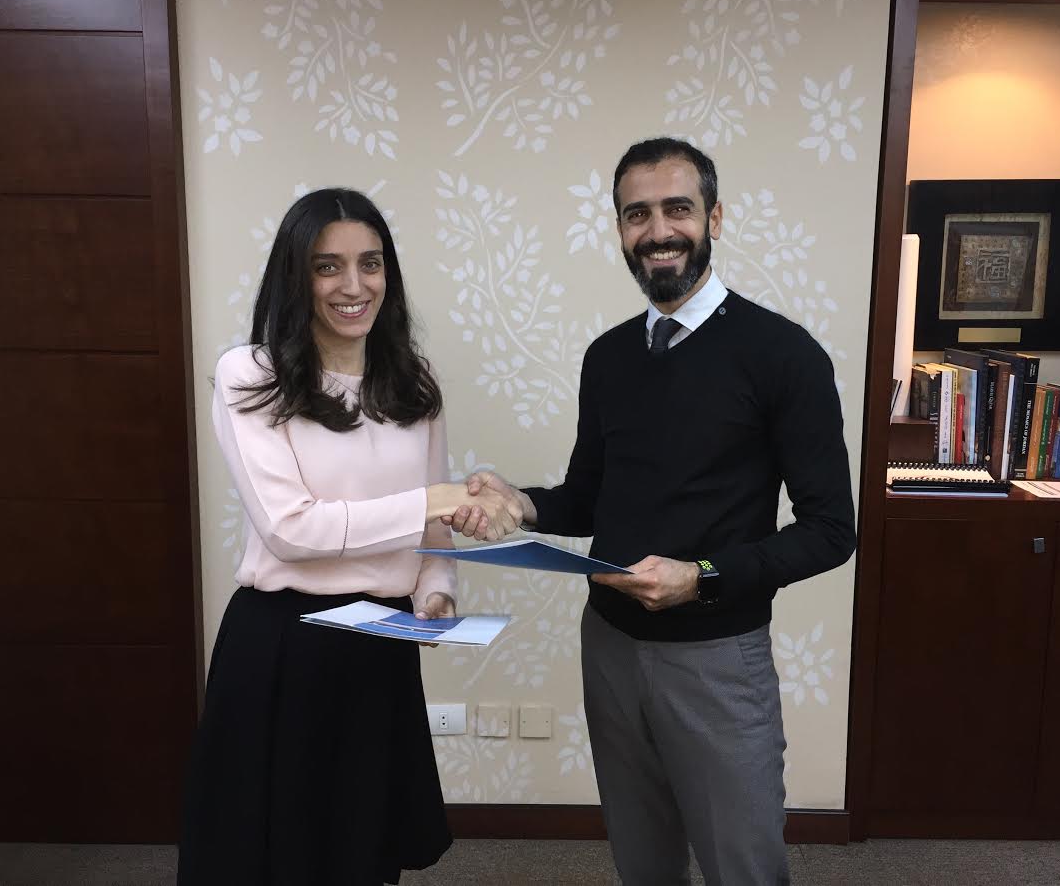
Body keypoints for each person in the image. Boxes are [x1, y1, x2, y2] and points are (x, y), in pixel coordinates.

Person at [448, 138, 856, 885]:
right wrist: (521, 502)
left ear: (714, 218)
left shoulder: (783, 355)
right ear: (619, 229)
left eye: (678, 209)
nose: (659, 231)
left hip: (716, 658)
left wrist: (700, 576)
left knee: (743, 867)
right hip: (608, 646)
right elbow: (589, 495)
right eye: (638, 214)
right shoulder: (607, 357)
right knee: (643, 864)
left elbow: (831, 531)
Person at [178, 188, 521, 886]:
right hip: (284, 643)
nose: (353, 286)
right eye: (327, 266)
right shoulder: (252, 375)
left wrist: (435, 593)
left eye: (370, 263)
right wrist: (432, 500)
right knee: (270, 856)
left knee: (360, 851)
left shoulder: (413, 383)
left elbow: (432, 528)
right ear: (295, 276)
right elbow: (290, 528)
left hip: (380, 644)